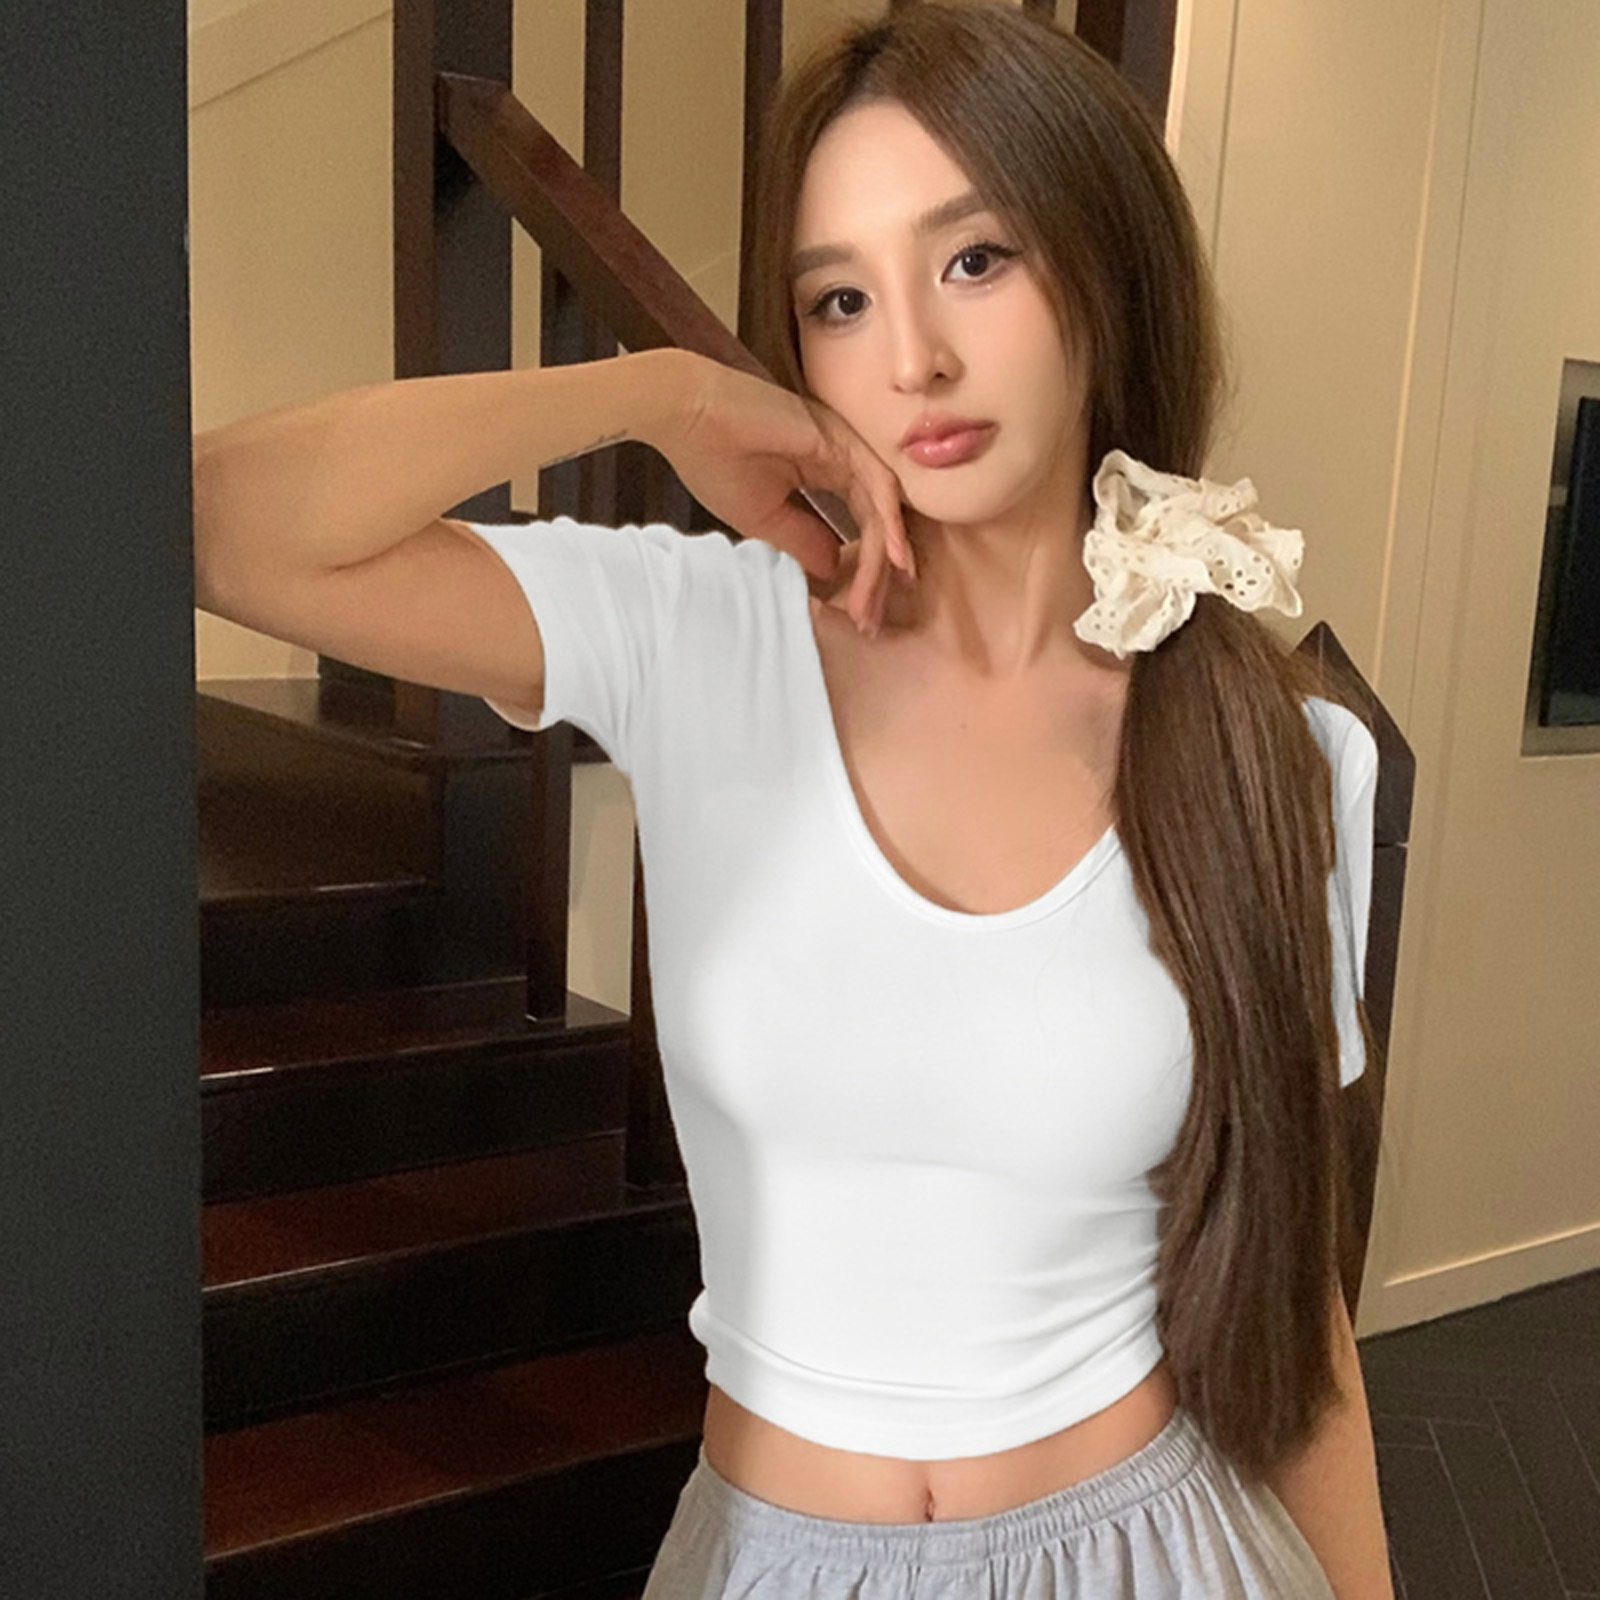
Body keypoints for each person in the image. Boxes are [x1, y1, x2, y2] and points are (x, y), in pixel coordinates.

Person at [192, 3, 1395, 1594]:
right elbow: (219, 525)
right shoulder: (698, 634)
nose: (914, 358)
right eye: (842, 298)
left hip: (1160, 1549)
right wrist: (657, 394)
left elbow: (1296, 1303)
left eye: (977, 259)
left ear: (1106, 267)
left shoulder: (1278, 747)